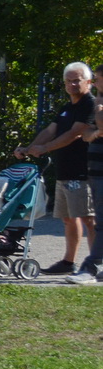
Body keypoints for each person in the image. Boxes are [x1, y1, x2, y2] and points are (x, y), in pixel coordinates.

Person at [14, 62, 95, 276]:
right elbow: (51, 130)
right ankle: (69, 263)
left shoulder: (91, 104)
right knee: (69, 218)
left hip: (83, 171)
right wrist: (30, 148)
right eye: (69, 80)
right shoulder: (66, 108)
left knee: (88, 218)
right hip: (64, 170)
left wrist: (45, 148)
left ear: (89, 82)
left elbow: (75, 133)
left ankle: (96, 263)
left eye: (77, 80)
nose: (72, 84)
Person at [76, 86, 103, 284]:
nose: (96, 84)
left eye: (100, 79)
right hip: (96, 171)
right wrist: (95, 132)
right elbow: (86, 135)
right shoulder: (97, 102)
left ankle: (92, 265)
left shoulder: (97, 104)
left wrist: (100, 112)